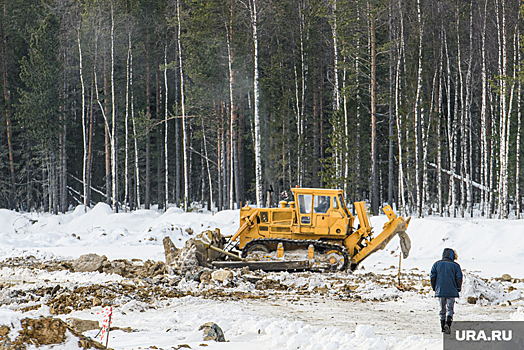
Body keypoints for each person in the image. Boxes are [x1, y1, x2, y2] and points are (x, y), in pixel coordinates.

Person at [430, 248, 462, 334]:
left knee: (442, 309)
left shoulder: (436, 264)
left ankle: (442, 327)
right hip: (452, 290)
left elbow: (432, 277)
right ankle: (448, 324)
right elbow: (459, 278)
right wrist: (458, 288)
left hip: (440, 290)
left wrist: (434, 288)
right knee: (450, 308)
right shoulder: (456, 266)